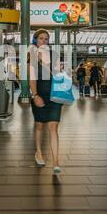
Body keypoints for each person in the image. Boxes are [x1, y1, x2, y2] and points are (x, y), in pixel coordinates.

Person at [29, 29, 63, 174]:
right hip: (40, 94)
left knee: (53, 127)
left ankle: (56, 162)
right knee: (39, 126)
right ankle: (38, 152)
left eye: (46, 39)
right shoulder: (31, 56)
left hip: (54, 95)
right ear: (35, 40)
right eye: (41, 38)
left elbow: (59, 74)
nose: (44, 41)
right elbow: (31, 78)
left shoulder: (54, 55)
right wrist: (35, 95)